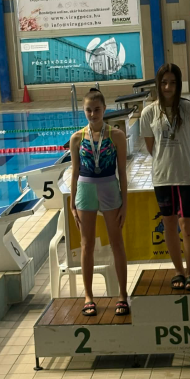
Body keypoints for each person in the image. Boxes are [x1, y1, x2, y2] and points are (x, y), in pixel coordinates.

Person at [140, 63, 190, 291]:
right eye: (164, 82)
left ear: (179, 85)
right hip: (163, 177)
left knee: (187, 225)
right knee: (168, 224)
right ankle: (178, 270)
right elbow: (151, 147)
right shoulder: (149, 113)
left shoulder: (189, 109)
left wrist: (185, 161)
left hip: (187, 176)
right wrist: (168, 161)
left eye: (173, 83)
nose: (168, 87)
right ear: (158, 84)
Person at [69, 88, 129, 317]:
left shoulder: (116, 136)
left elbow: (122, 172)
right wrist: (72, 203)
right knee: (86, 245)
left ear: (104, 109)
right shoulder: (77, 138)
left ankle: (122, 295)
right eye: (88, 110)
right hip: (85, 191)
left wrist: (125, 203)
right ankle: (88, 297)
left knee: (117, 243)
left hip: (110, 189)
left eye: (96, 109)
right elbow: (75, 172)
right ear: (84, 111)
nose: (93, 114)